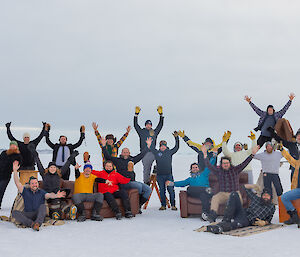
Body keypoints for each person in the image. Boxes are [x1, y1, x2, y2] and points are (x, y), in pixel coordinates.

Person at [202, 144, 259, 222]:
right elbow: (209, 166)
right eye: (224, 163)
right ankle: (212, 216)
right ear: (221, 164)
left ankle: (234, 216)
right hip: (223, 194)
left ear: (230, 163)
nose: (226, 165)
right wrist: (205, 155)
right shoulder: (218, 171)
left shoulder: (235, 170)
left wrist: (252, 154)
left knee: (237, 203)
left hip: (235, 193)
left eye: (227, 163)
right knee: (215, 198)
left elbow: (245, 163)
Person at [100, 137, 152, 212]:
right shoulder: (117, 160)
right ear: (121, 153)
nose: (125, 153)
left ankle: (139, 205)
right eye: (124, 152)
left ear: (129, 153)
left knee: (148, 189)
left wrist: (148, 146)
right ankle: (136, 205)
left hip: (132, 181)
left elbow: (141, 155)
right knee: (138, 186)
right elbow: (107, 156)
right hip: (123, 183)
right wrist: (104, 146)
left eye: (127, 152)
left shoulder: (132, 160)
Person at [11, 161, 66, 231]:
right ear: (30, 185)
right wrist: (15, 171)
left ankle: (37, 223)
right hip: (28, 214)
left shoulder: (42, 192)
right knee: (15, 213)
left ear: (38, 184)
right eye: (32, 183)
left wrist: (56, 195)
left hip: (38, 214)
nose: (34, 185)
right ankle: (32, 224)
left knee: (43, 207)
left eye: (36, 183)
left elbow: (49, 195)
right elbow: (17, 183)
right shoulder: (25, 191)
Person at [28, 144, 78, 219]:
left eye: (54, 167)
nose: (53, 168)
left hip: (56, 194)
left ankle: (65, 212)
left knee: (57, 201)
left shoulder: (59, 174)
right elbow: (38, 163)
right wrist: (34, 153)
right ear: (48, 168)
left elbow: (67, 164)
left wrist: (72, 156)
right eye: (51, 167)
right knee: (48, 201)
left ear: (56, 168)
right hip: (47, 194)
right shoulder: (44, 174)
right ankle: (60, 213)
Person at [204, 184, 275, 234]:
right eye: (264, 195)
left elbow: (269, 219)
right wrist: (254, 186)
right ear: (262, 195)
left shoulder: (272, 206)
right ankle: (226, 220)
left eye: (267, 195)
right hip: (242, 212)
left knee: (236, 224)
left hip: (248, 220)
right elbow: (243, 187)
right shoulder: (256, 198)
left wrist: (264, 222)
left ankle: (219, 228)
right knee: (234, 194)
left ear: (270, 197)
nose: (265, 197)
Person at [134, 105, 164, 184]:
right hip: (145, 152)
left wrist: (161, 115)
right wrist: (136, 115)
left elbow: (160, 126)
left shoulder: (153, 132)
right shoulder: (142, 132)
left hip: (154, 151)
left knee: (163, 156)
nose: (148, 125)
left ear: (151, 125)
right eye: (147, 124)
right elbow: (136, 125)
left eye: (150, 124)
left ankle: (157, 170)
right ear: (145, 125)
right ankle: (146, 182)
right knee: (147, 168)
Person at [150, 132, 179, 210]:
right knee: (162, 191)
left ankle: (173, 205)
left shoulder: (169, 152)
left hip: (169, 175)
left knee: (171, 190)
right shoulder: (157, 153)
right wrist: (153, 137)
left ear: (166, 146)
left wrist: (176, 138)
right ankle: (163, 205)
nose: (163, 147)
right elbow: (152, 147)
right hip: (160, 175)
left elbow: (176, 147)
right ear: (159, 147)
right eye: (161, 146)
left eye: (164, 146)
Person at [279, 147, 300, 225]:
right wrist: (282, 150)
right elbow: (289, 158)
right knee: (284, 197)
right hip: (298, 189)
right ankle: (294, 217)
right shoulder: (297, 164)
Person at [0, 141, 22, 209]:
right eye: (11, 145)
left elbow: (19, 164)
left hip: (5, 176)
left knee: (1, 190)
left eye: (14, 145)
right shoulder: (4, 153)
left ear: (16, 146)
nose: (12, 146)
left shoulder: (18, 156)